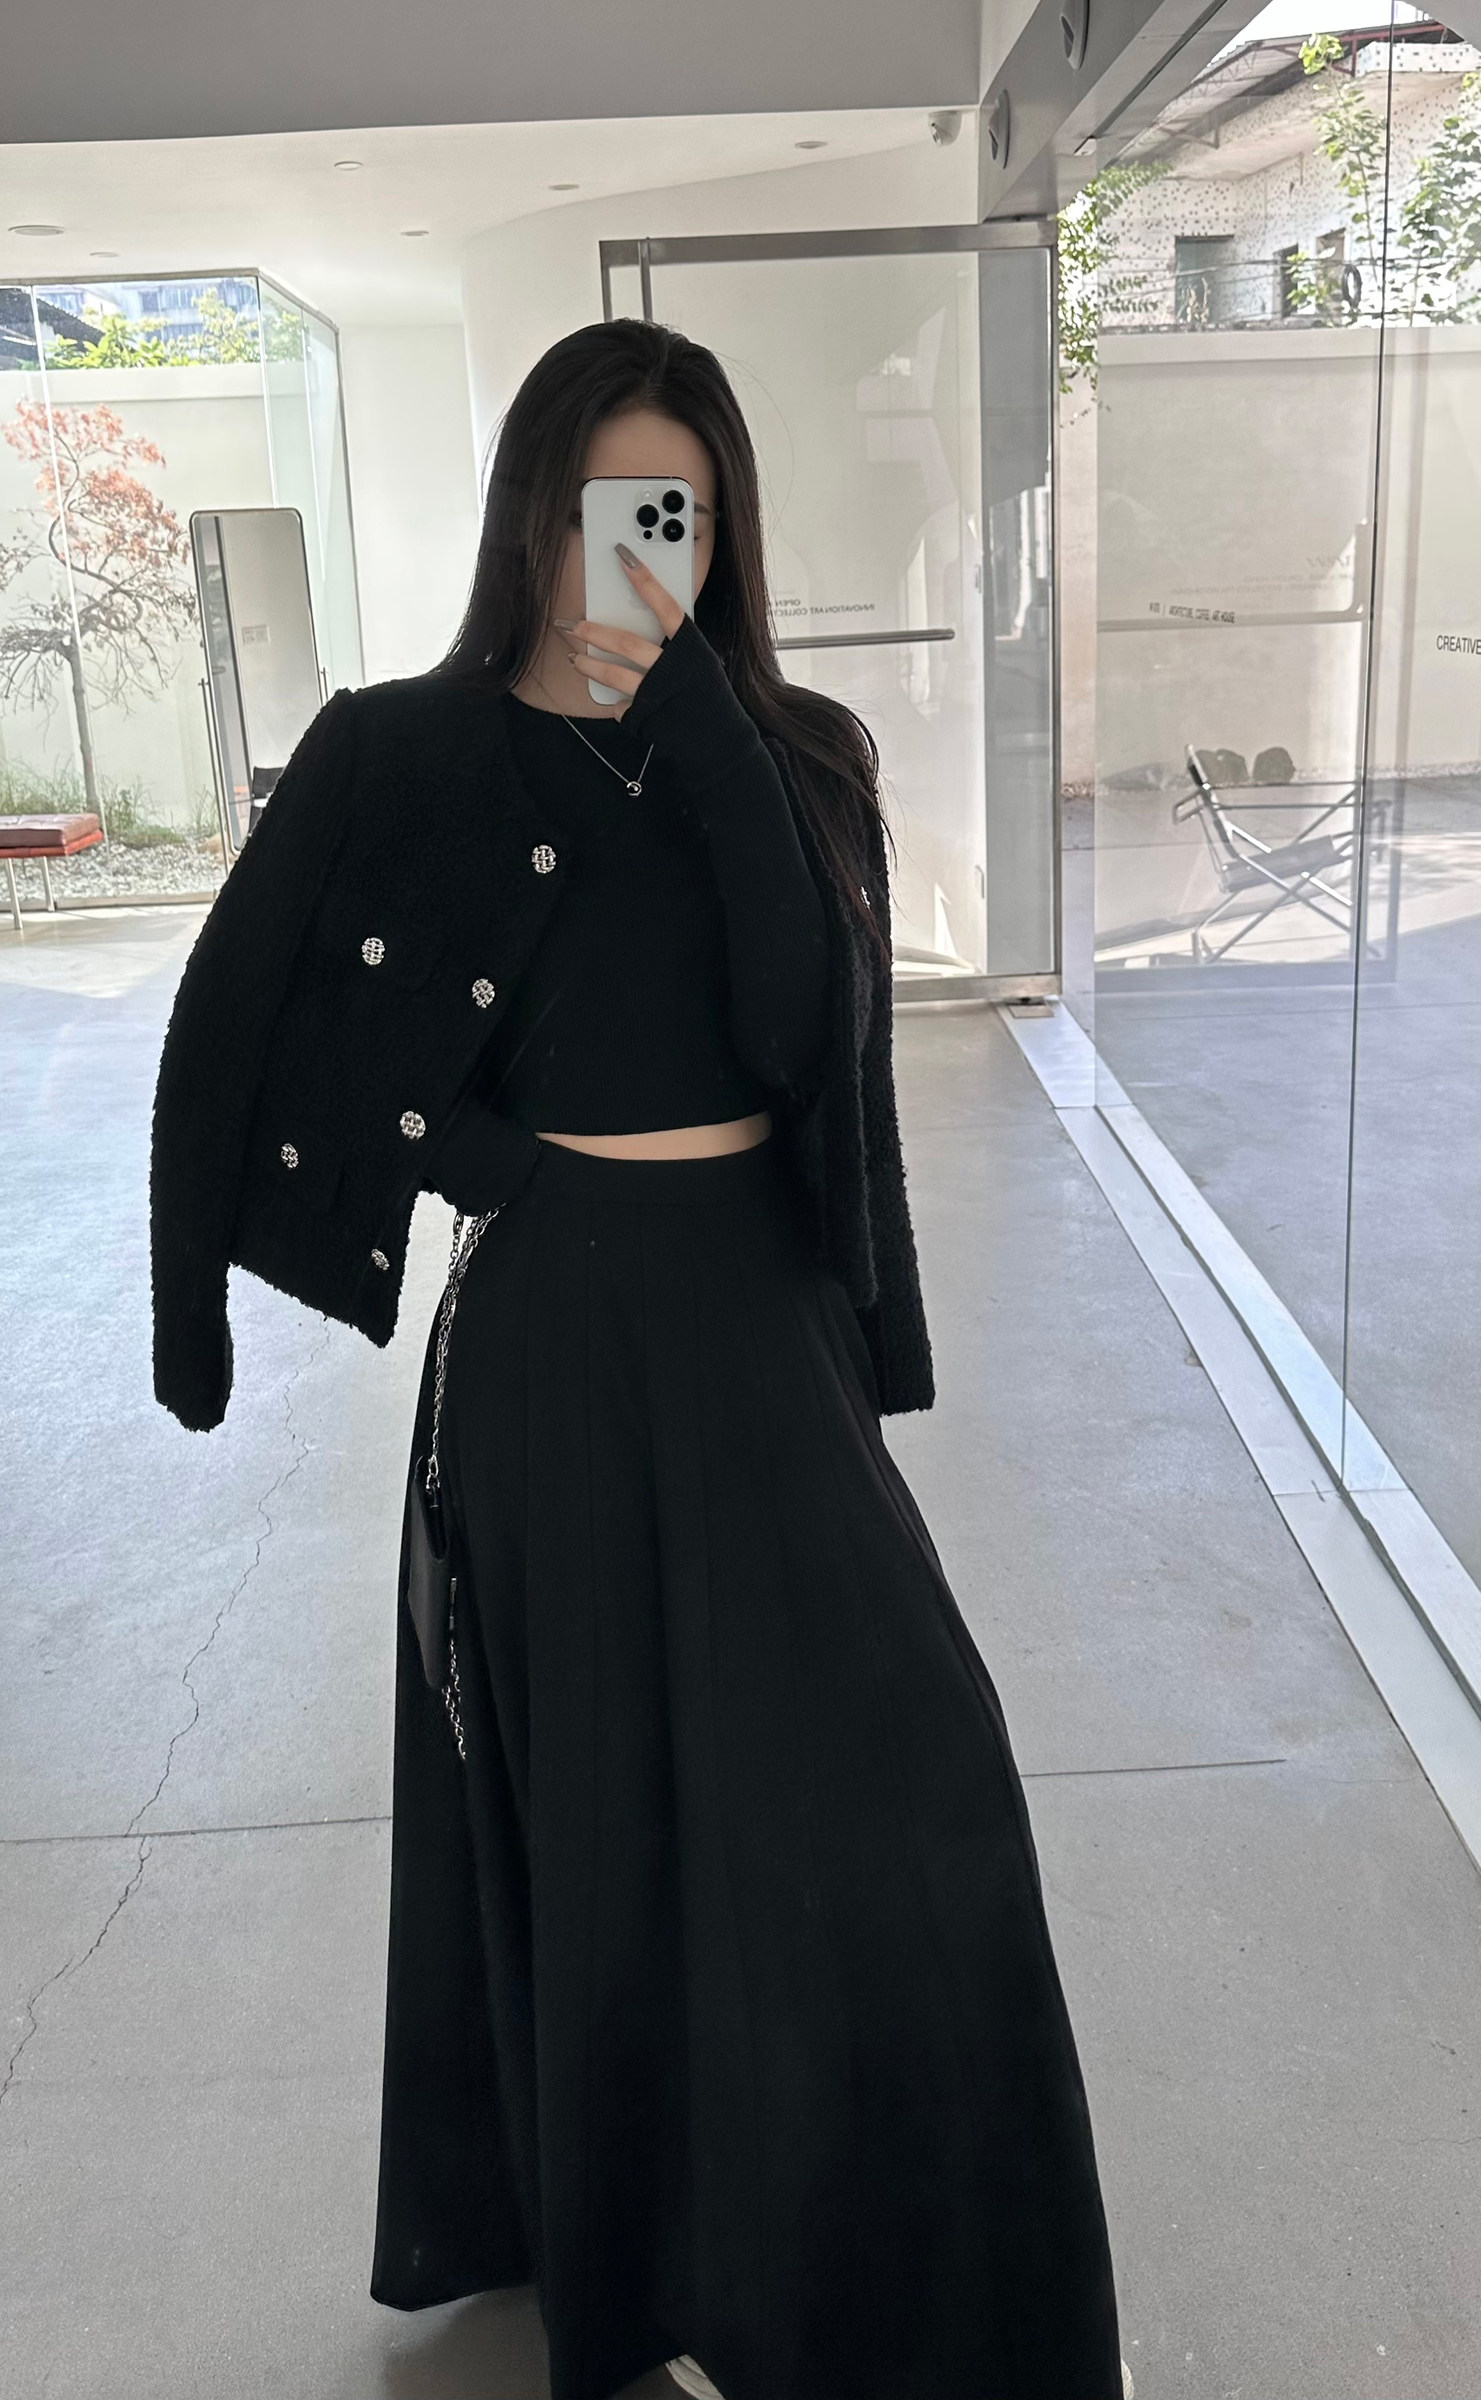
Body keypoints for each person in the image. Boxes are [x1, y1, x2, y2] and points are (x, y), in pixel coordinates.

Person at [149, 319, 1125, 2400]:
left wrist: (701, 744)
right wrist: (460, 1166)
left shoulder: (796, 753)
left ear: (725, 524)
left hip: (762, 1322)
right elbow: (254, 1020)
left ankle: (931, 2278)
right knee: (614, 1817)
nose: (643, 550)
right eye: (608, 508)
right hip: (556, 1345)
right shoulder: (407, 752)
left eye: (679, 511)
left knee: (909, 1769)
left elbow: (803, 1040)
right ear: (533, 512)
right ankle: (654, 2272)